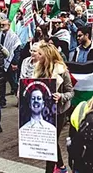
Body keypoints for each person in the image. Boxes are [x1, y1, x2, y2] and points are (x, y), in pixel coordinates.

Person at [34, 42, 74, 173]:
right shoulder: (38, 69)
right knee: (50, 141)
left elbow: (71, 92)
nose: (37, 56)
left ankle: (50, 170)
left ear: (48, 56)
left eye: (40, 54)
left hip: (59, 111)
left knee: (50, 142)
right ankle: (61, 166)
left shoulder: (62, 71)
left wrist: (61, 96)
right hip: (43, 111)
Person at [0, 18, 21, 107]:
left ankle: (20, 99)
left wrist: (15, 63)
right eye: (1, 25)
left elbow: (17, 50)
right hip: (2, 63)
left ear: (9, 25)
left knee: (13, 83)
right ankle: (2, 101)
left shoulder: (14, 36)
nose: (1, 26)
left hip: (10, 63)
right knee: (1, 82)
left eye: (4, 25)